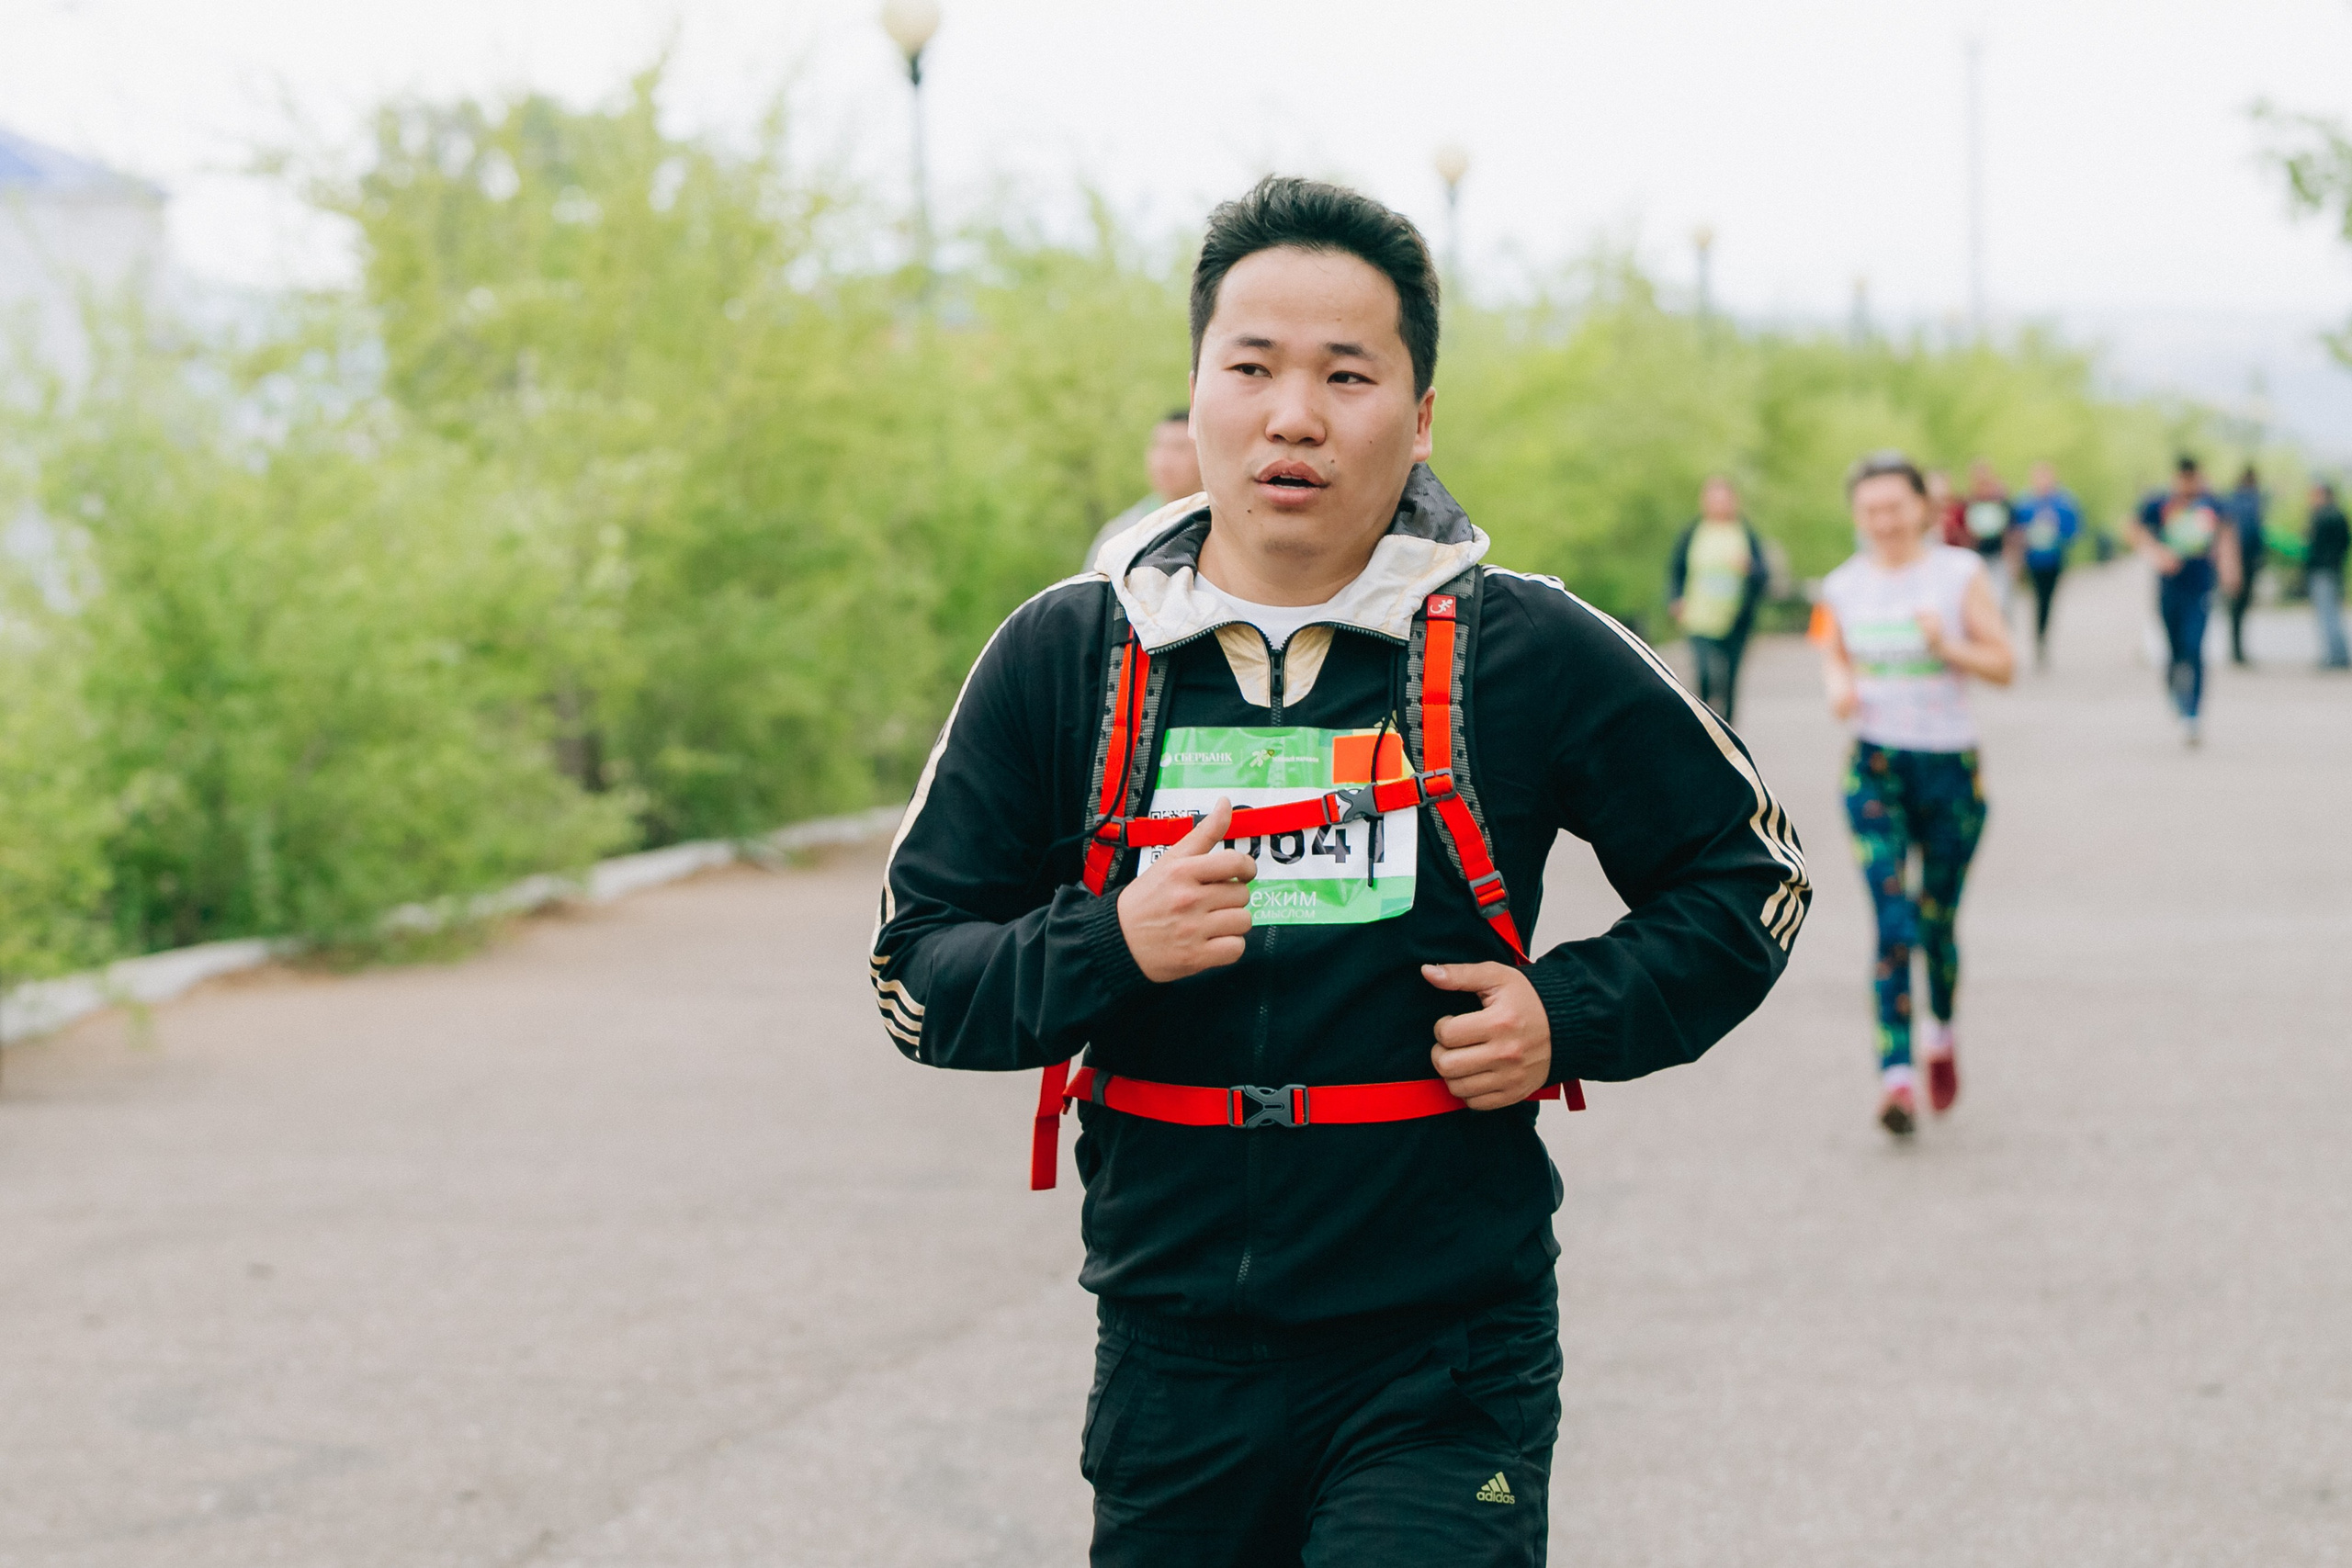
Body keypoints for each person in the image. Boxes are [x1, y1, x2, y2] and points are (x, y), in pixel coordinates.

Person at [871, 175, 1809, 1566]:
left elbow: (1750, 881)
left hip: (1444, 1355)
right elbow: (914, 974)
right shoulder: (1068, 658)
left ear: (1419, 416)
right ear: (1196, 393)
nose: (1293, 413)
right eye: (1250, 367)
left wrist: (1570, 1012)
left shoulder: (1524, 651)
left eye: (1346, 374)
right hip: (1173, 1350)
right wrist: (1109, 944)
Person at [1815, 452, 2014, 1137]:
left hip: (1950, 769)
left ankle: (1941, 1032)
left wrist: (1949, 646)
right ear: (1857, 515)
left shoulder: (1959, 574)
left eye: (1895, 506)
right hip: (1874, 767)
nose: (1884, 521)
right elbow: (1832, 650)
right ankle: (1895, 1077)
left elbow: (2005, 664)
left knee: (1936, 923)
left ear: (1923, 507)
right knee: (1894, 924)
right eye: (1870, 509)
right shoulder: (1843, 586)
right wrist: (1838, 684)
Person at [2130, 456, 2243, 747]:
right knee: (2174, 649)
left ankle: (2193, 715)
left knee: (2194, 648)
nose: (2189, 484)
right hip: (2170, 589)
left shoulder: (2212, 504)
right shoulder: (2160, 504)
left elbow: (2227, 534)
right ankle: (2175, 695)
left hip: (2201, 588)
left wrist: (2230, 568)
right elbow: (2135, 529)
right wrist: (2157, 554)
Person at [1665, 475, 1771, 723]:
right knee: (1704, 672)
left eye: (1724, 499)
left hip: (1736, 619)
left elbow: (1764, 576)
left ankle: (1728, 730)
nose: (1719, 505)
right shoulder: (1692, 533)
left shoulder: (1746, 534)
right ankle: (1704, 723)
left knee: (1730, 678)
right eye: (1714, 499)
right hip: (1699, 616)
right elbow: (1676, 569)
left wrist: (1749, 568)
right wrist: (1676, 598)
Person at [1085, 410, 1204, 570]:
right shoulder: (1122, 532)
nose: (1164, 461)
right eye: (1159, 446)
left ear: (1205, 453)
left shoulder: (1224, 526)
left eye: (1179, 448)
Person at [2016, 461, 2082, 669]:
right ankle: (2039, 637)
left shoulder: (2064, 502)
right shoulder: (2025, 503)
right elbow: (2015, 530)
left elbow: (2074, 531)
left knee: (2048, 600)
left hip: (2054, 560)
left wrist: (2057, 534)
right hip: (2033, 561)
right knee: (2038, 599)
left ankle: (2043, 636)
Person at [1960, 458, 2020, 617]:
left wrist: (2013, 559)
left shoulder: (2001, 502)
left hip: (1999, 556)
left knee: (2002, 601)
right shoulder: (1968, 503)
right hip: (1978, 557)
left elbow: (2012, 531)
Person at [2223, 465, 2269, 666]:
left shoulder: (2232, 500)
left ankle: (2236, 650)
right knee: (2239, 607)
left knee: (2235, 608)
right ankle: (2237, 651)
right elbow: (2254, 534)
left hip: (2235, 560)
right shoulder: (2252, 501)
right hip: (2244, 560)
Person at [2307, 479, 2349, 670]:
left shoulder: (2321, 516)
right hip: (2333, 569)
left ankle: (2336, 657)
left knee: (2327, 616)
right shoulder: (2339, 516)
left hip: (2322, 571)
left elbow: (2312, 547)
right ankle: (2339, 654)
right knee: (2332, 614)